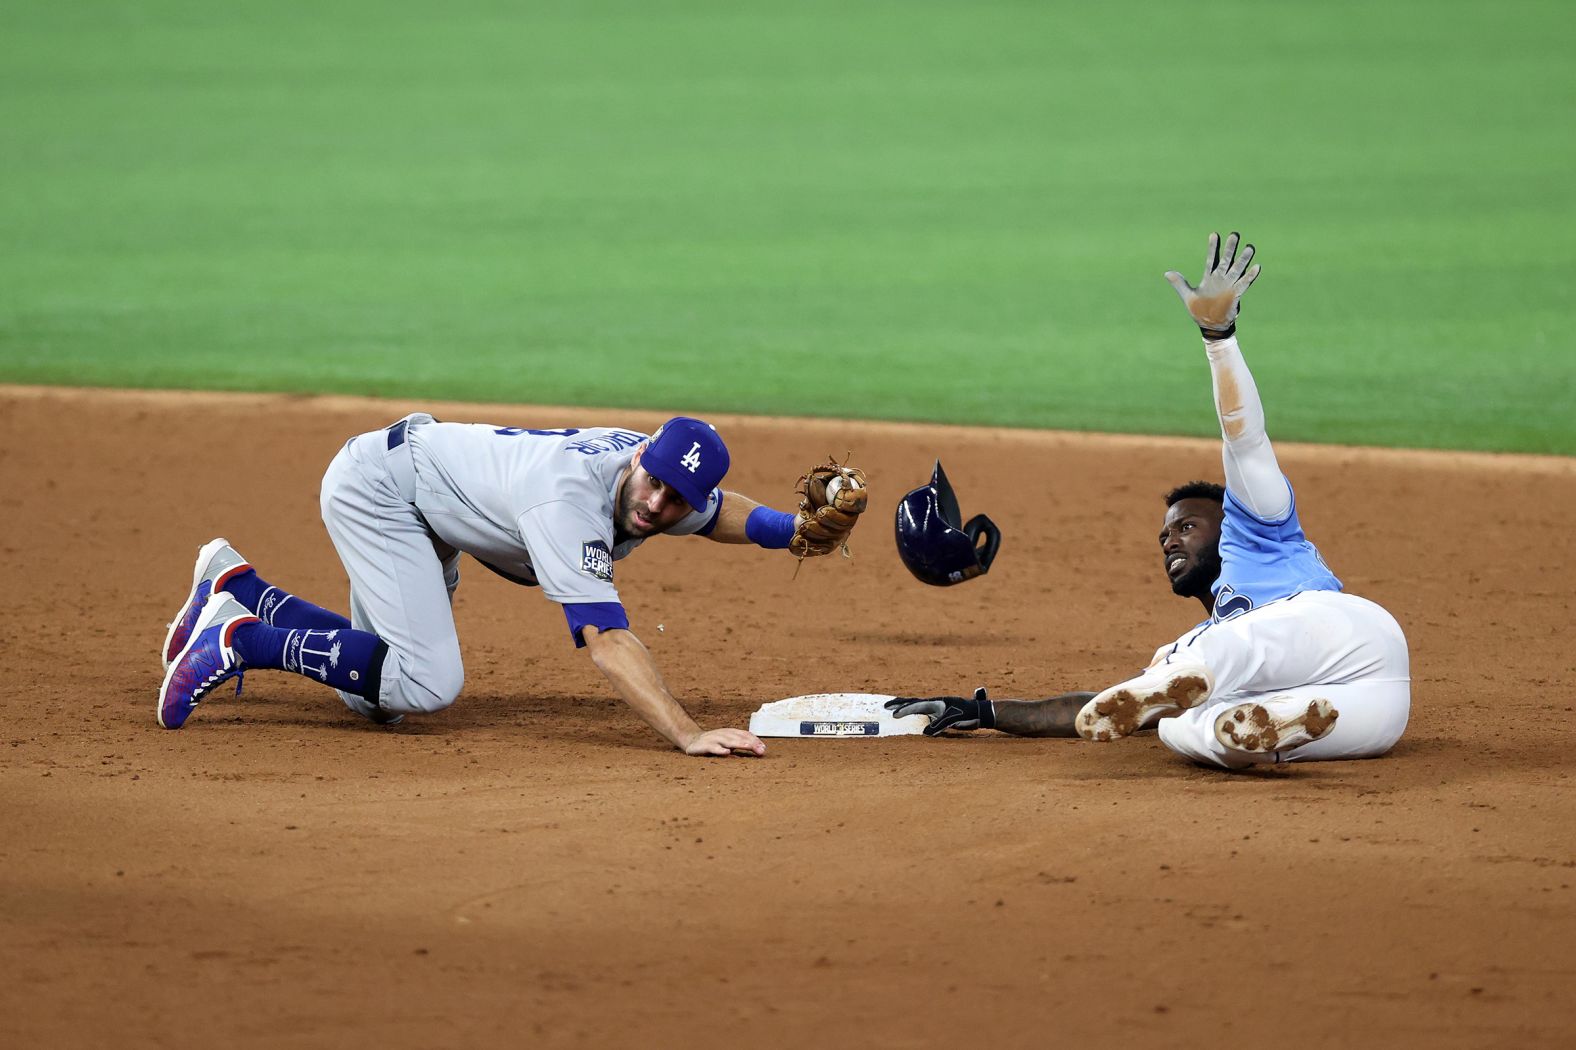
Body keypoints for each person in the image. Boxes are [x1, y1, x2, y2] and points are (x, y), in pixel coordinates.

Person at [887, 232, 1411, 768]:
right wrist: (987, 711)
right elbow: (1093, 711)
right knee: (1186, 728)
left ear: (1230, 522)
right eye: (1165, 533)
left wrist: (1219, 337)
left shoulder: (1262, 529)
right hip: (1372, 705)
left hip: (1345, 638)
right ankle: (1265, 729)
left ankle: (1222, 704)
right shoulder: (1185, 646)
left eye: (1186, 526)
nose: (1168, 539)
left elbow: (1245, 441)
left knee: (1219, 661)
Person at [159, 414, 863, 757]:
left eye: (677, 498)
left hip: (425, 497)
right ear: (640, 457)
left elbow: (716, 512)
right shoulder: (567, 507)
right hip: (381, 492)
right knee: (424, 685)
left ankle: (238, 588)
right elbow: (606, 639)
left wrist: (788, 531)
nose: (657, 508)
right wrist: (686, 732)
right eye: (655, 485)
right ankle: (243, 639)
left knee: (368, 693)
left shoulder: (655, 477)